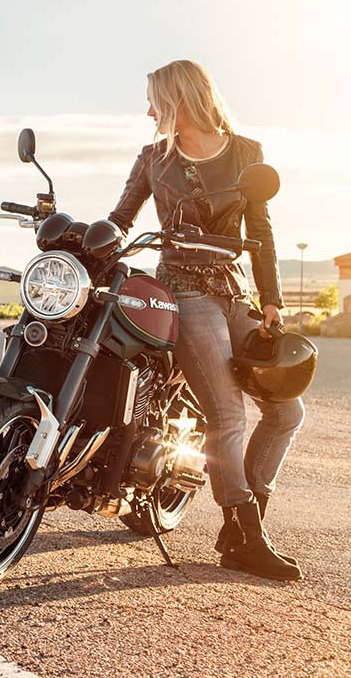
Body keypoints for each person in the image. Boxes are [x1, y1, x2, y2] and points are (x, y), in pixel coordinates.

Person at [108, 59, 305, 580]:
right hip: (183, 292)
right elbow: (120, 218)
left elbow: (261, 233)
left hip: (234, 292)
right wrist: (78, 235)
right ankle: (246, 538)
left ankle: (243, 523)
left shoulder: (246, 154)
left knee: (287, 412)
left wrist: (272, 300)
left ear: (180, 99)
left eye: (155, 99)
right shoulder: (154, 157)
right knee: (229, 414)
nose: (149, 110)